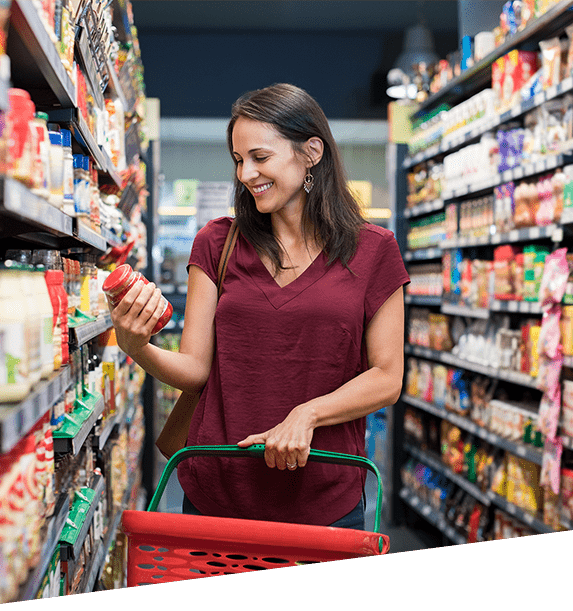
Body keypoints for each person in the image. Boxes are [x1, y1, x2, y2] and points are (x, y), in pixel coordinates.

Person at [108, 83, 410, 529]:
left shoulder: (373, 250)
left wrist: (307, 414)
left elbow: (387, 377)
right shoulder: (217, 242)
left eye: (260, 157)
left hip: (325, 495)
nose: (246, 173)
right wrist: (138, 347)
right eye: (237, 160)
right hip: (220, 491)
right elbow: (196, 369)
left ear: (311, 152)